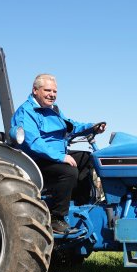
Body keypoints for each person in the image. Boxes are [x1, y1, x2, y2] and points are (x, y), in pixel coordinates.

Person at [11, 74, 106, 234]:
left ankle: (80, 206)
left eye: (54, 91)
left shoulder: (53, 110)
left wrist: (92, 127)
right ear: (35, 90)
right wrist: (61, 157)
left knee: (86, 158)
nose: (52, 94)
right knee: (68, 171)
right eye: (47, 90)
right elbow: (33, 142)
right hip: (35, 161)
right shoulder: (26, 112)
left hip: (54, 156)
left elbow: (71, 126)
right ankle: (56, 218)